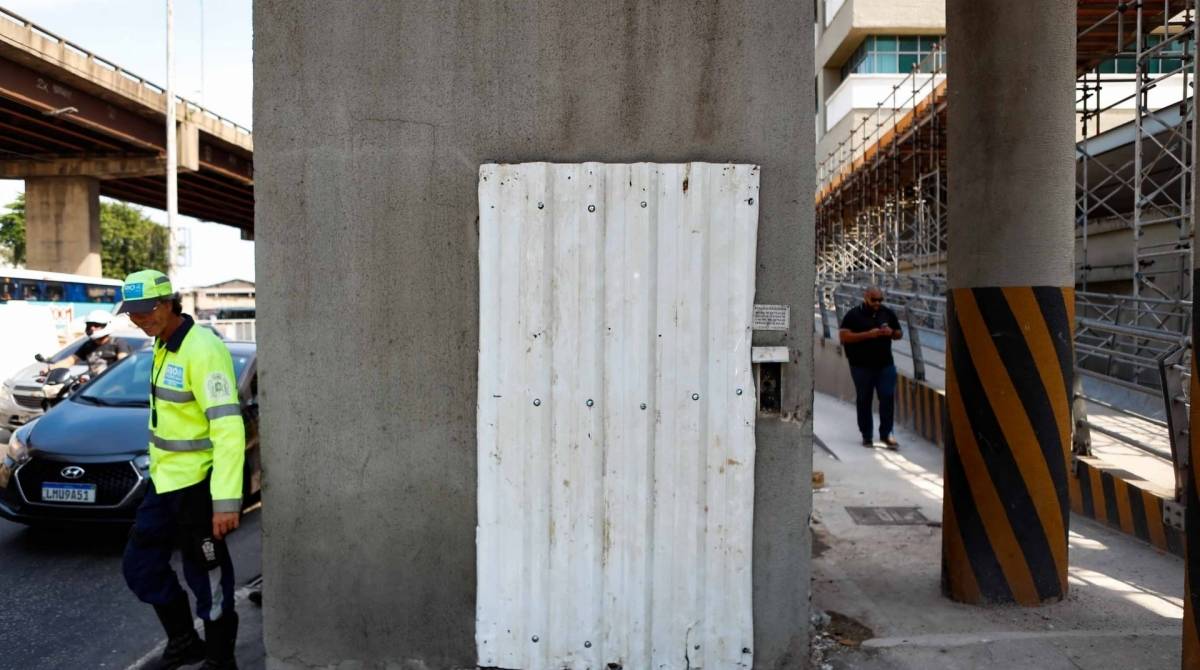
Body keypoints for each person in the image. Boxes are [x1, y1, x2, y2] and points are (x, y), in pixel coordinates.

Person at [117, 269, 245, 670]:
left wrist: (225, 501)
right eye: (132, 313)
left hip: (198, 489)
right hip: (164, 484)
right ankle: (185, 642)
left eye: (146, 310)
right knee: (140, 566)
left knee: (207, 578)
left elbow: (228, 429)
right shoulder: (162, 345)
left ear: (169, 303)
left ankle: (220, 661)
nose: (139, 319)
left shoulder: (202, 348)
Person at [838, 286, 903, 449]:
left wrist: (891, 332)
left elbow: (899, 333)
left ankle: (887, 434)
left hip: (885, 365)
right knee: (864, 399)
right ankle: (866, 435)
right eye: (874, 300)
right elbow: (844, 336)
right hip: (861, 366)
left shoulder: (887, 313)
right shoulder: (853, 314)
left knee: (887, 398)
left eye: (880, 300)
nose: (877, 303)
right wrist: (869, 334)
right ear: (866, 297)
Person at [49, 310, 133, 378]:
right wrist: (49, 368)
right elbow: (70, 360)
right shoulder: (88, 345)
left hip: (113, 385)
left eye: (96, 325)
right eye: (89, 325)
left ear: (108, 324)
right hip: (94, 385)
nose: (92, 328)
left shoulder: (118, 343)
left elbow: (123, 364)